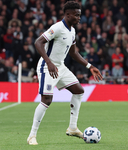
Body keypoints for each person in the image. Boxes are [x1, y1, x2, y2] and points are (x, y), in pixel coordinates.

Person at [27, 1, 103, 145]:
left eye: (79, 15)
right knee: (47, 100)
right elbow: (38, 42)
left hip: (60, 67)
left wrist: (89, 66)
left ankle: (73, 128)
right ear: (67, 15)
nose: (79, 17)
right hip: (46, 67)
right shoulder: (57, 27)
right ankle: (32, 136)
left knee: (79, 91)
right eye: (76, 15)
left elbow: (73, 53)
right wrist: (49, 62)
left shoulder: (72, 30)